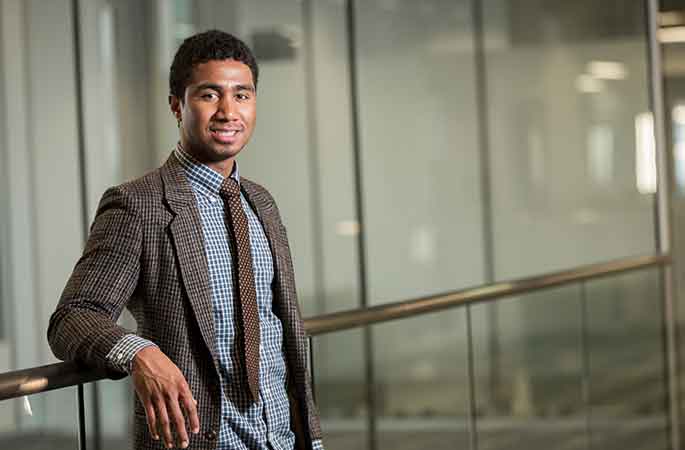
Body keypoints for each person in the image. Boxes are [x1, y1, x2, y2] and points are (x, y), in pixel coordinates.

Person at [47, 30, 323, 450]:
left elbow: (279, 333)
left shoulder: (261, 202)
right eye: (209, 95)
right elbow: (73, 316)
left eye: (242, 95)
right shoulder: (138, 205)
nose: (228, 111)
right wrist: (139, 354)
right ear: (177, 105)